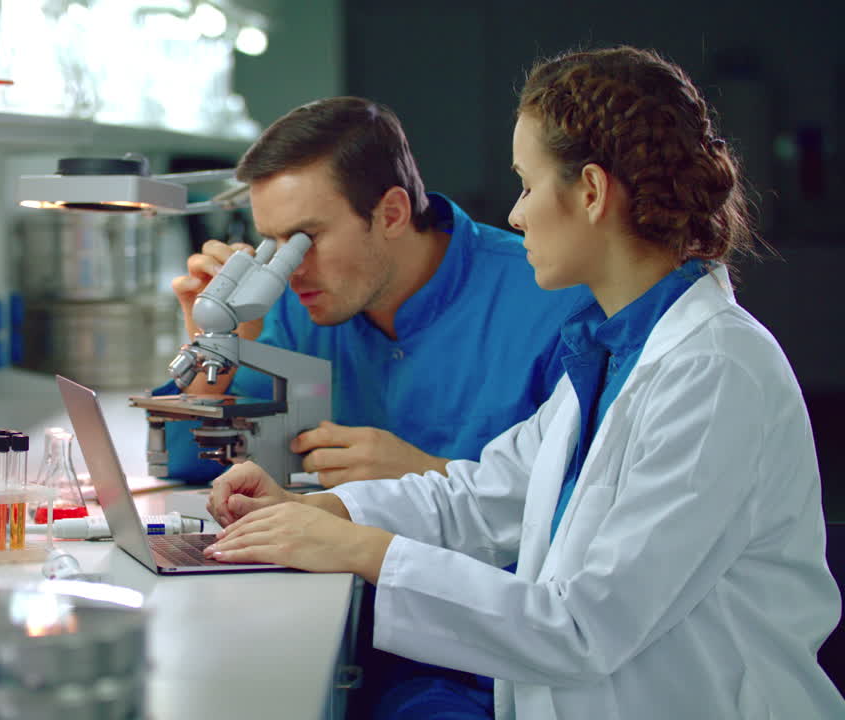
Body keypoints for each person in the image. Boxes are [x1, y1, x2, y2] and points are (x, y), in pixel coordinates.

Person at [200, 46, 845, 719]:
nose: (514, 214)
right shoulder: (616, 352)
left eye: (529, 185)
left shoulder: (714, 372)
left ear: (591, 193)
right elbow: (479, 498)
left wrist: (360, 548)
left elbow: (581, 627)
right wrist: (319, 513)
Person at [160, 96, 584, 489]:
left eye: (305, 238)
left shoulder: (550, 296)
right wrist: (214, 343)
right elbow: (185, 462)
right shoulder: (294, 304)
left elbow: (587, 507)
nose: (290, 270)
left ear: (392, 214)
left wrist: (431, 476)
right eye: (274, 243)